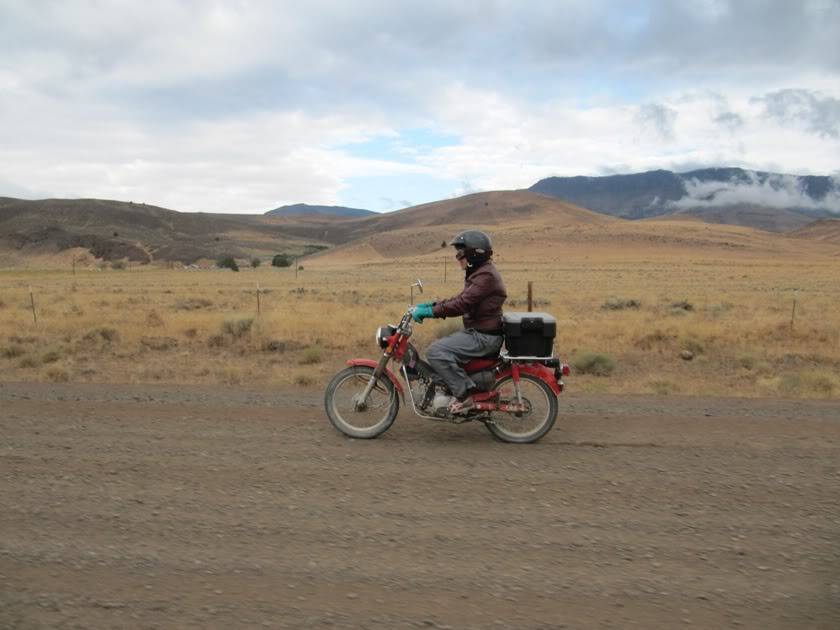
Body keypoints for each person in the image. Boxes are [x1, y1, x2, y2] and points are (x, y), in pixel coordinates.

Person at [410, 230, 507, 413]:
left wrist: (431, 312)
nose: (457, 257)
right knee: (443, 346)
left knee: (436, 352)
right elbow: (461, 299)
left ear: (473, 253)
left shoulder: (485, 276)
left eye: (460, 252)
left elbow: (462, 304)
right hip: (480, 332)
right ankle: (450, 388)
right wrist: (432, 305)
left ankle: (465, 395)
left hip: (484, 337)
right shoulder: (480, 273)